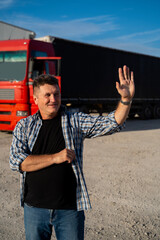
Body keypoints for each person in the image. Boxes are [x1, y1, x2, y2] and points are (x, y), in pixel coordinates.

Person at [9, 65, 135, 240]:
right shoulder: (24, 126)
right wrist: (55, 158)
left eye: (56, 94)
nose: (53, 99)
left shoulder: (74, 120)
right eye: (47, 95)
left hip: (69, 210)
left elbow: (111, 123)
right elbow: (17, 162)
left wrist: (126, 99)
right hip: (35, 209)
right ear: (36, 99)